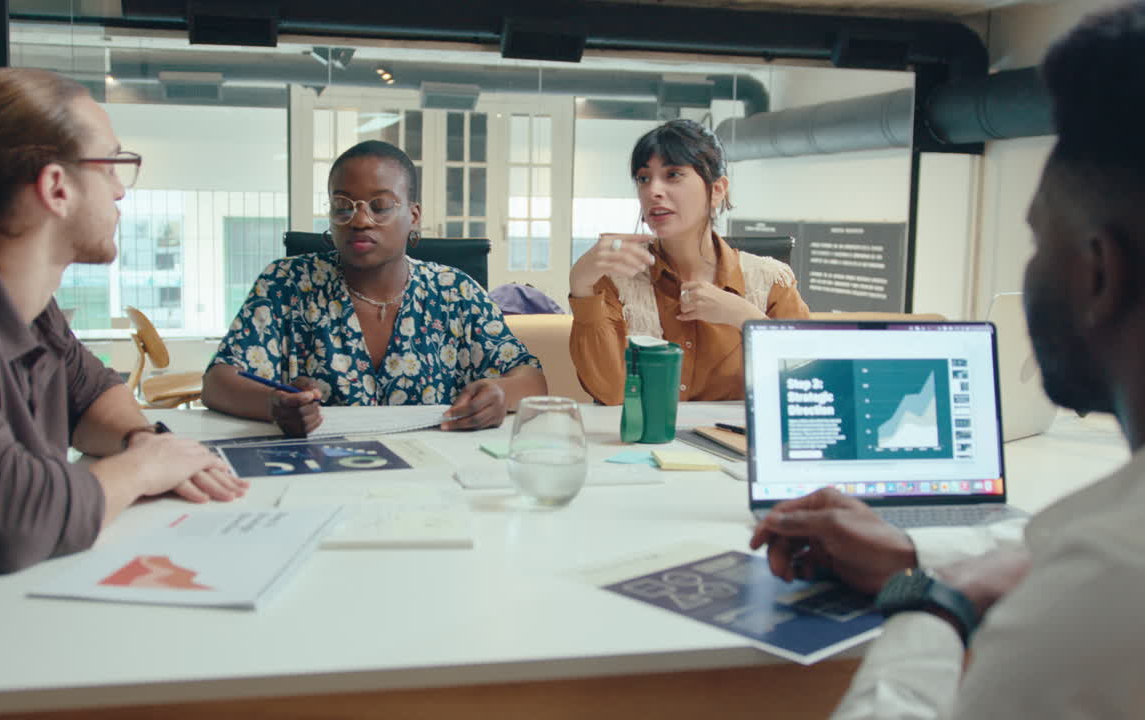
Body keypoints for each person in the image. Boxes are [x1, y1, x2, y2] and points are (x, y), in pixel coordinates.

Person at [750, 4, 1145, 716]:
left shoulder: (1103, 588)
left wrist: (931, 603)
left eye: (1036, 239)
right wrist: (915, 558)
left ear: (1098, 274)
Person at [0, 68, 246, 717]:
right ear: (57, 186)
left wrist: (140, 437)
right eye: (113, 165)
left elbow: (90, 390)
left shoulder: (24, 302)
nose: (123, 189)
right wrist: (146, 465)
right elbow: (10, 519)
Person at [203, 140, 547, 437]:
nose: (360, 220)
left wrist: (499, 395)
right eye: (342, 206)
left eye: (380, 206)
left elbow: (531, 380)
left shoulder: (455, 292)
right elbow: (218, 381)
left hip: (431, 482)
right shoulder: (287, 283)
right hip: (320, 476)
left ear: (414, 216)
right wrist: (274, 405)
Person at [568, 119, 810, 405]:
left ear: (717, 190)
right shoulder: (617, 281)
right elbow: (611, 393)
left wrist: (746, 319)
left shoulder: (770, 281)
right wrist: (580, 284)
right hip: (645, 444)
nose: (653, 191)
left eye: (673, 175)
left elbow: (809, 384)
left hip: (733, 447)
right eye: (644, 178)